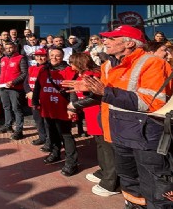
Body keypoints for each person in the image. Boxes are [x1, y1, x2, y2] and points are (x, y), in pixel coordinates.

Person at [83, 25, 173, 208]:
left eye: (112, 38)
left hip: (145, 138)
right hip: (120, 136)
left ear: (128, 43)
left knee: (157, 187)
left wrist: (105, 92)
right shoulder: (109, 65)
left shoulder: (153, 63)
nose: (105, 41)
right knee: (129, 183)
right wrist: (91, 91)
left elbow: (151, 102)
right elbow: (108, 99)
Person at [63, 52, 120, 197]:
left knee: (107, 148)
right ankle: (103, 171)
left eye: (73, 63)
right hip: (92, 114)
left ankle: (111, 182)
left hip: (99, 113)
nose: (71, 66)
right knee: (100, 144)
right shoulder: (85, 74)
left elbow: (96, 97)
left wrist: (74, 105)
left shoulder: (93, 74)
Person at [31, 48, 79, 176]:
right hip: (47, 108)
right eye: (52, 55)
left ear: (63, 57)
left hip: (63, 109)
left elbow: (73, 88)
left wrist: (72, 106)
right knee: (52, 133)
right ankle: (55, 153)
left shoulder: (69, 70)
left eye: (57, 56)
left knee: (65, 135)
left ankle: (71, 163)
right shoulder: (43, 69)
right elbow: (37, 87)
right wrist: (35, 101)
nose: (54, 58)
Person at [0, 41, 28, 140]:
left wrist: (14, 82)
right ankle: (8, 125)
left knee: (16, 109)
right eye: (7, 48)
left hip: (15, 88)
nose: (8, 50)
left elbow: (24, 73)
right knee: (6, 107)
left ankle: (19, 130)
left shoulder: (21, 58)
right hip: (3, 87)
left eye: (10, 48)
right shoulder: (3, 59)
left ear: (15, 48)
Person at [25, 48, 50, 149]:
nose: (39, 58)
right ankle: (42, 137)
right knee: (38, 120)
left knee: (47, 121)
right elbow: (26, 82)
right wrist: (28, 92)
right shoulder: (31, 68)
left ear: (46, 56)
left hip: (44, 99)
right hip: (32, 99)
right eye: (37, 56)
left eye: (42, 56)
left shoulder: (49, 68)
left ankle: (49, 141)